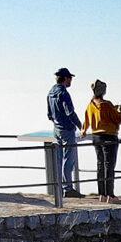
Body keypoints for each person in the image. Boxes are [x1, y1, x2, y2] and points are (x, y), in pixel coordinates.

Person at [81, 79, 121, 201]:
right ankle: (110, 194)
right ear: (103, 91)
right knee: (109, 165)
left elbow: (87, 120)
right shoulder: (107, 104)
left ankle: (102, 194)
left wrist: (83, 131)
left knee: (100, 165)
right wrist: (120, 111)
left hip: (96, 137)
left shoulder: (90, 105)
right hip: (109, 136)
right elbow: (118, 119)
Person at [47, 67, 83, 197]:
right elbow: (70, 113)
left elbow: (49, 115)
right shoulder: (64, 93)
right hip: (67, 130)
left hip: (56, 130)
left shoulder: (51, 92)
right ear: (65, 78)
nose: (71, 81)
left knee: (60, 159)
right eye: (70, 78)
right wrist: (81, 127)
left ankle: (62, 188)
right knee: (69, 159)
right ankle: (68, 189)